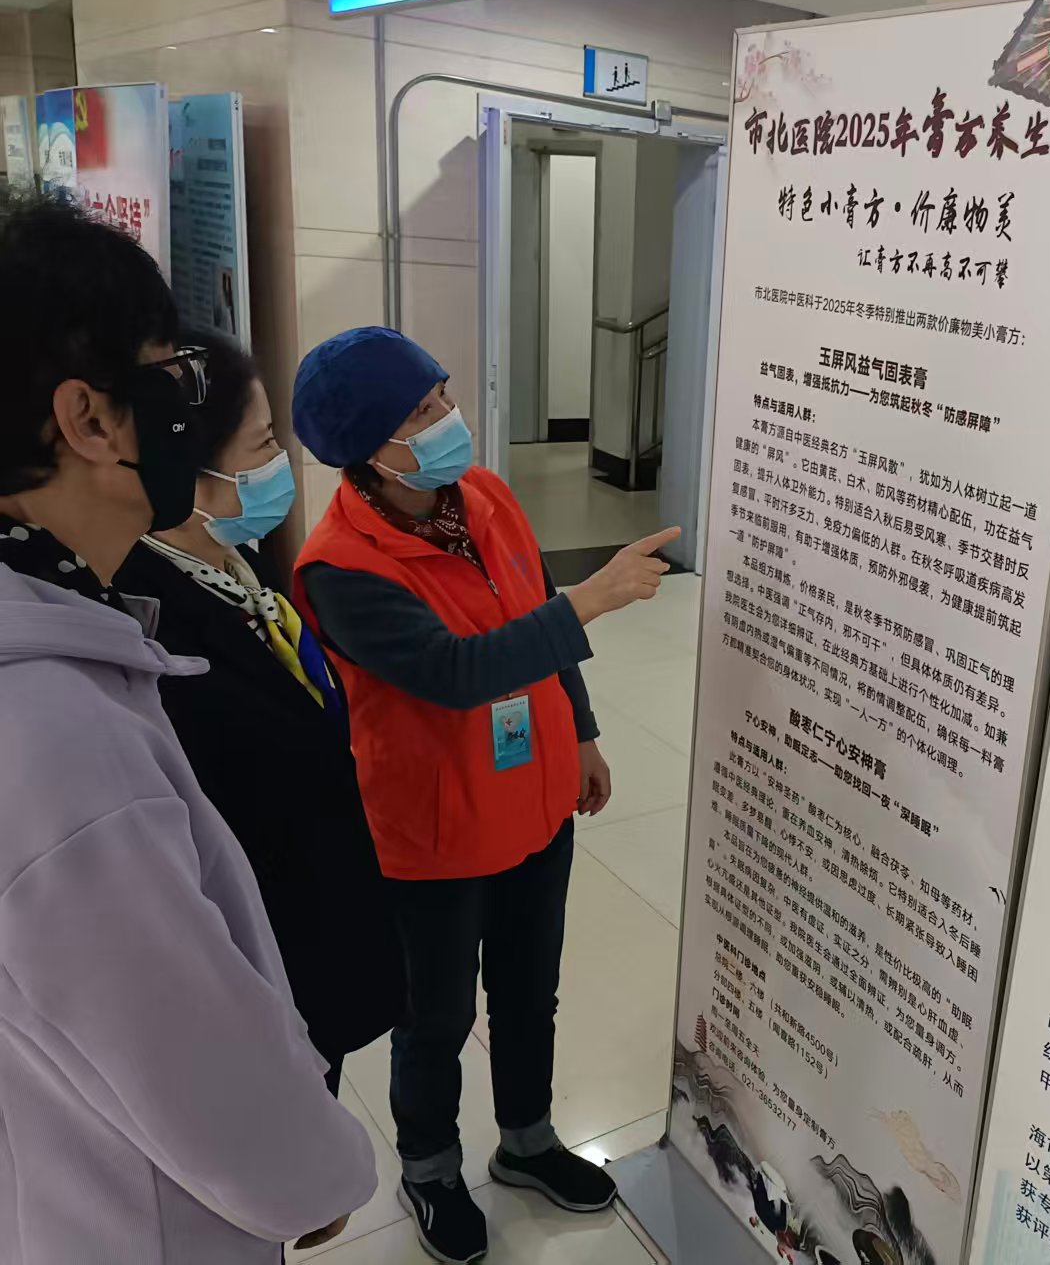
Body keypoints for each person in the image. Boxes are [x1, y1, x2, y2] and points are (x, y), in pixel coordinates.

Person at [0, 192, 374, 1261]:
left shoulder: (69, 625)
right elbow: (188, 1053)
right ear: (89, 419)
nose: (189, 411)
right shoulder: (52, 739)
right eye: (170, 378)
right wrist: (316, 1170)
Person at [291, 325, 679, 1264]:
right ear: (369, 448)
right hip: (435, 831)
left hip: (534, 795)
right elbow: (456, 671)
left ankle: (527, 1140)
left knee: (529, 989)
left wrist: (580, 731)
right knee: (437, 1016)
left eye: (442, 395)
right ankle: (428, 1168)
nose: (446, 418)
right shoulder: (339, 566)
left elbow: (531, 608)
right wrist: (593, 599)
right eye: (421, 411)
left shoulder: (485, 494)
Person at [113, 330, 404, 1094]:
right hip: (264, 955)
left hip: (321, 916)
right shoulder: (150, 624)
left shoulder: (238, 560)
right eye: (266, 441)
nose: (282, 461)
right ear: (189, 469)